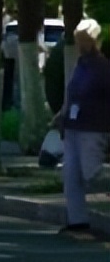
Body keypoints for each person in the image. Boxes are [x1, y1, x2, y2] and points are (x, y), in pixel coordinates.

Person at [54, 18, 110, 237]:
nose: (80, 44)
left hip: (94, 128)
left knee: (91, 173)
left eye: (85, 40)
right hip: (74, 127)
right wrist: (62, 114)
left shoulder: (104, 68)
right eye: (79, 40)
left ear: (95, 41)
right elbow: (73, 93)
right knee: (71, 175)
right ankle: (77, 221)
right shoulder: (80, 65)